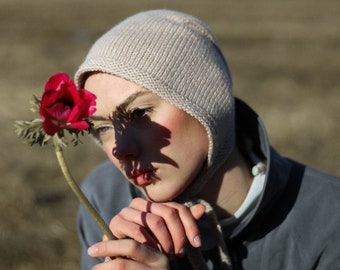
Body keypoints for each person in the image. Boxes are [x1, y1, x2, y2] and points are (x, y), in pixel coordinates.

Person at [74, 9, 340, 270]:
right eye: (103, 128)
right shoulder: (104, 197)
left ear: (205, 103)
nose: (121, 149)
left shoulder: (329, 220)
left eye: (140, 113)